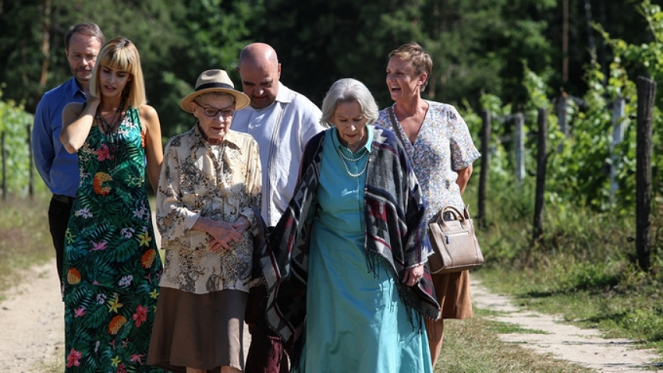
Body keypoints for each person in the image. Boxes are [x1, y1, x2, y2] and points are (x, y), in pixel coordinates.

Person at [261, 78, 440, 372]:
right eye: (342, 120)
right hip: (329, 262)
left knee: (376, 333)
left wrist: (415, 258)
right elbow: (302, 203)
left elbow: (414, 204)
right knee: (330, 335)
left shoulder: (387, 146)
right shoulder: (318, 147)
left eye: (357, 119)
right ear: (330, 117)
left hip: (379, 262)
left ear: (368, 115)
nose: (351, 127)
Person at [59, 37, 165, 372]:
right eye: (106, 71)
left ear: (131, 77)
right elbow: (73, 143)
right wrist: (92, 104)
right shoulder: (74, 111)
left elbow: (158, 178)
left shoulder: (146, 115)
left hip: (135, 236)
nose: (110, 80)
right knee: (87, 319)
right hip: (88, 234)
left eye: (120, 74)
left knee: (141, 316)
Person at [146, 69, 262, 373]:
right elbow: (166, 210)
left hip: (233, 265)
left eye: (227, 111)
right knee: (193, 357)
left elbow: (256, 202)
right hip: (187, 268)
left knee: (230, 354)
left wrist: (238, 226)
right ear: (195, 110)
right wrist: (210, 226)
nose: (220, 119)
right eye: (211, 111)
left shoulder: (248, 146)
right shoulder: (176, 148)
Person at [374, 41, 481, 367]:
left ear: (421, 78)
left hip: (441, 231)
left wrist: (447, 202)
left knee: (435, 312)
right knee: (398, 307)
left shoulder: (446, 114)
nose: (392, 79)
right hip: (396, 232)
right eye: (389, 73)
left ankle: (427, 368)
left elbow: (465, 167)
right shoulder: (376, 123)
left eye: (400, 73)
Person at [232, 42, 325, 373]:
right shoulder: (232, 112)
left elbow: (324, 170)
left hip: (286, 234)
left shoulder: (304, 112)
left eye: (265, 83)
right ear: (238, 76)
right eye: (248, 84)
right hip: (236, 236)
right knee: (250, 320)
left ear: (280, 72)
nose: (257, 91)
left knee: (276, 323)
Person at [32, 23, 105, 284]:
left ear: (103, 54)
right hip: (66, 209)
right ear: (66, 54)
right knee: (73, 291)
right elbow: (42, 156)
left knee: (113, 291)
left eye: (90, 55)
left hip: (110, 210)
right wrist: (63, 188)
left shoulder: (124, 100)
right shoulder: (51, 102)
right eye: (76, 55)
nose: (84, 62)